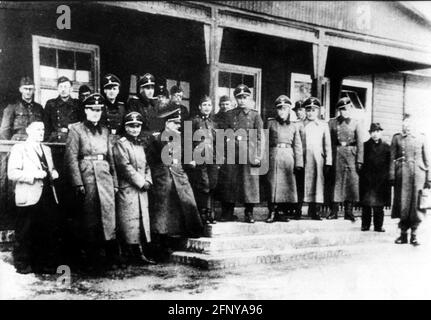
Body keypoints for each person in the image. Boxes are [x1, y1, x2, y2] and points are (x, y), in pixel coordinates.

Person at [64, 93, 122, 273]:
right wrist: (77, 183)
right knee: (89, 218)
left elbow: (111, 157)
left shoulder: (105, 131)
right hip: (86, 176)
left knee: (108, 216)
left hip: (104, 176)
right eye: (92, 110)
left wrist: (115, 181)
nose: (96, 113)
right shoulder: (76, 129)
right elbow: (71, 158)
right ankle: (90, 260)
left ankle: (109, 258)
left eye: (99, 110)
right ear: (85, 110)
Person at [7, 120, 60, 274]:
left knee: (44, 229)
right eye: (37, 129)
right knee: (25, 230)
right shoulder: (20, 149)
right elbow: (12, 173)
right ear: (28, 131)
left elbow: (51, 168)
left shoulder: (47, 149)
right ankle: (22, 264)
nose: (41, 132)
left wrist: (54, 172)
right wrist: (34, 175)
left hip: (46, 194)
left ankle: (41, 264)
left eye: (43, 129)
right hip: (28, 193)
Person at [146, 107, 203, 250]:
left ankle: (188, 234)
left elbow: (185, 157)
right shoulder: (157, 139)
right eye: (175, 123)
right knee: (163, 211)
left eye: (179, 123)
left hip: (179, 175)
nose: (178, 126)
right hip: (163, 177)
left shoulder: (181, 139)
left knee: (187, 202)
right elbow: (151, 161)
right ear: (167, 123)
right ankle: (161, 242)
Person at [113, 112, 155, 264]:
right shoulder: (120, 144)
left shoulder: (140, 144)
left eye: (137, 126)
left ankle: (139, 253)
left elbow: (146, 165)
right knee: (128, 222)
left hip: (141, 190)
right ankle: (128, 253)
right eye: (131, 126)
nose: (135, 129)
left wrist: (148, 180)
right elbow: (124, 166)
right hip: (128, 189)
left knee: (141, 221)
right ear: (125, 127)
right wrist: (140, 181)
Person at [219, 84, 264, 223]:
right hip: (232, 152)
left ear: (249, 98)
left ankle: (249, 212)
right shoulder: (229, 114)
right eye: (239, 98)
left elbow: (260, 137)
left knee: (249, 183)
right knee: (230, 182)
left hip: (249, 152)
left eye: (245, 97)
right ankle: (228, 212)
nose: (242, 100)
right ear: (236, 99)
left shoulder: (255, 115)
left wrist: (258, 156)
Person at [390, 114, 431, 246]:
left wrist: (429, 179)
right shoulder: (397, 138)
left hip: (418, 175)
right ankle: (403, 234)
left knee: (416, 205)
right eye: (405, 124)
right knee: (403, 205)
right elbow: (392, 158)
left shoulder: (422, 137)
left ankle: (414, 235)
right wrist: (392, 174)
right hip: (402, 175)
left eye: (409, 123)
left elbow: (428, 160)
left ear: (414, 124)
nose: (407, 126)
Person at [265, 95, 303, 223]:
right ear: (276, 110)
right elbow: (264, 141)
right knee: (273, 185)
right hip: (273, 155)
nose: (282, 111)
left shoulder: (293, 126)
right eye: (280, 109)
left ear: (289, 110)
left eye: (285, 109)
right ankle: (272, 211)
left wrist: (299, 163)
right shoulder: (270, 123)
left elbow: (297, 145)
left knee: (286, 185)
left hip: (288, 156)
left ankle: (281, 212)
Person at [327, 97, 365, 221]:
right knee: (336, 182)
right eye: (342, 110)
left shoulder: (356, 123)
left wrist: (359, 160)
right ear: (339, 110)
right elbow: (329, 142)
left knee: (351, 183)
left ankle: (349, 211)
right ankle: (334, 211)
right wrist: (330, 158)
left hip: (351, 154)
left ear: (351, 109)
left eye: (347, 109)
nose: (345, 112)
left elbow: (360, 143)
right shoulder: (332, 122)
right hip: (337, 153)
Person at [189, 95, 219, 224]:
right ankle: (202, 214)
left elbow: (217, 142)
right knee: (203, 186)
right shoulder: (193, 122)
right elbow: (188, 141)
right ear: (200, 107)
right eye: (204, 105)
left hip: (211, 158)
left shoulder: (213, 124)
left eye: (209, 105)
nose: (207, 108)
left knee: (212, 185)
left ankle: (210, 213)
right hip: (199, 158)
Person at [302, 97, 332, 220]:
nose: (310, 112)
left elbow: (327, 145)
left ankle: (315, 210)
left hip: (317, 159)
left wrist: (328, 161)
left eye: (314, 110)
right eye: (308, 110)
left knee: (317, 184)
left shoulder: (323, 125)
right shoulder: (300, 124)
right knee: (302, 183)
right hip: (303, 158)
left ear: (318, 111)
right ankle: (298, 209)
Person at [360, 123, 391, 232]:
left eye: (377, 131)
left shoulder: (387, 147)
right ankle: (365, 225)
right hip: (367, 178)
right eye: (373, 132)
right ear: (370, 133)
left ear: (381, 132)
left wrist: (387, 176)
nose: (375, 134)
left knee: (379, 204)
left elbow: (389, 164)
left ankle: (378, 226)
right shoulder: (365, 146)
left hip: (381, 180)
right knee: (366, 203)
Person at [0, 77, 44, 141]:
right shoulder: (12, 107)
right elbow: (5, 131)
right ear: (20, 90)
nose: (28, 91)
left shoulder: (39, 108)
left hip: (35, 142)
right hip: (18, 142)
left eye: (30, 89)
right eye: (25, 89)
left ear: (34, 90)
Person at [44, 76, 80, 142]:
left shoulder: (77, 104)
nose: (63, 89)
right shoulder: (51, 104)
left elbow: (81, 125)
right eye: (61, 87)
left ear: (71, 89)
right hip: (56, 141)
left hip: (73, 140)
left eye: (66, 87)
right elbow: (47, 126)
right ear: (57, 88)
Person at [127, 73, 161, 140]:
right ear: (141, 89)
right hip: (140, 139)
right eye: (147, 88)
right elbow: (134, 127)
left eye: (152, 88)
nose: (151, 91)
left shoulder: (155, 103)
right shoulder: (134, 103)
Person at [101, 73, 126, 144]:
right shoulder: (100, 107)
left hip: (119, 141)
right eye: (109, 89)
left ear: (118, 91)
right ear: (104, 91)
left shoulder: (122, 107)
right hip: (104, 141)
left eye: (114, 89)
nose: (112, 91)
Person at [292, 100, 306, 219]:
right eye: (297, 110)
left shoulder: (310, 124)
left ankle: (313, 208)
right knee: (298, 184)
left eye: (301, 110)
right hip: (297, 158)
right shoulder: (294, 124)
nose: (299, 112)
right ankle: (297, 209)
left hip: (309, 158)